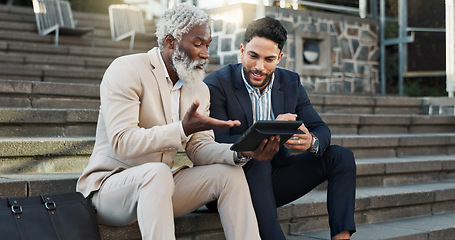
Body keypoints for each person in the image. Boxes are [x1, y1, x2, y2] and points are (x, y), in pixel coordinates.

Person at [76, 4, 262, 240]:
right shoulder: (126, 69)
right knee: (157, 173)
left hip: (160, 188)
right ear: (170, 42)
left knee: (230, 173)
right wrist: (182, 129)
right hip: (110, 190)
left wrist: (238, 152)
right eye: (198, 44)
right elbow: (122, 142)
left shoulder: (199, 89)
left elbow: (199, 148)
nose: (205, 53)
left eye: (207, 45)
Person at [204, 16, 357, 240]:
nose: (259, 67)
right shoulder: (217, 84)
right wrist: (265, 133)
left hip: (276, 177)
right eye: (253, 56)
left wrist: (311, 141)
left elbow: (321, 129)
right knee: (258, 161)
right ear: (242, 50)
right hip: (233, 183)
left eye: (269, 59)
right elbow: (217, 141)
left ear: (280, 57)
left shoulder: (290, 82)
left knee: (341, 156)